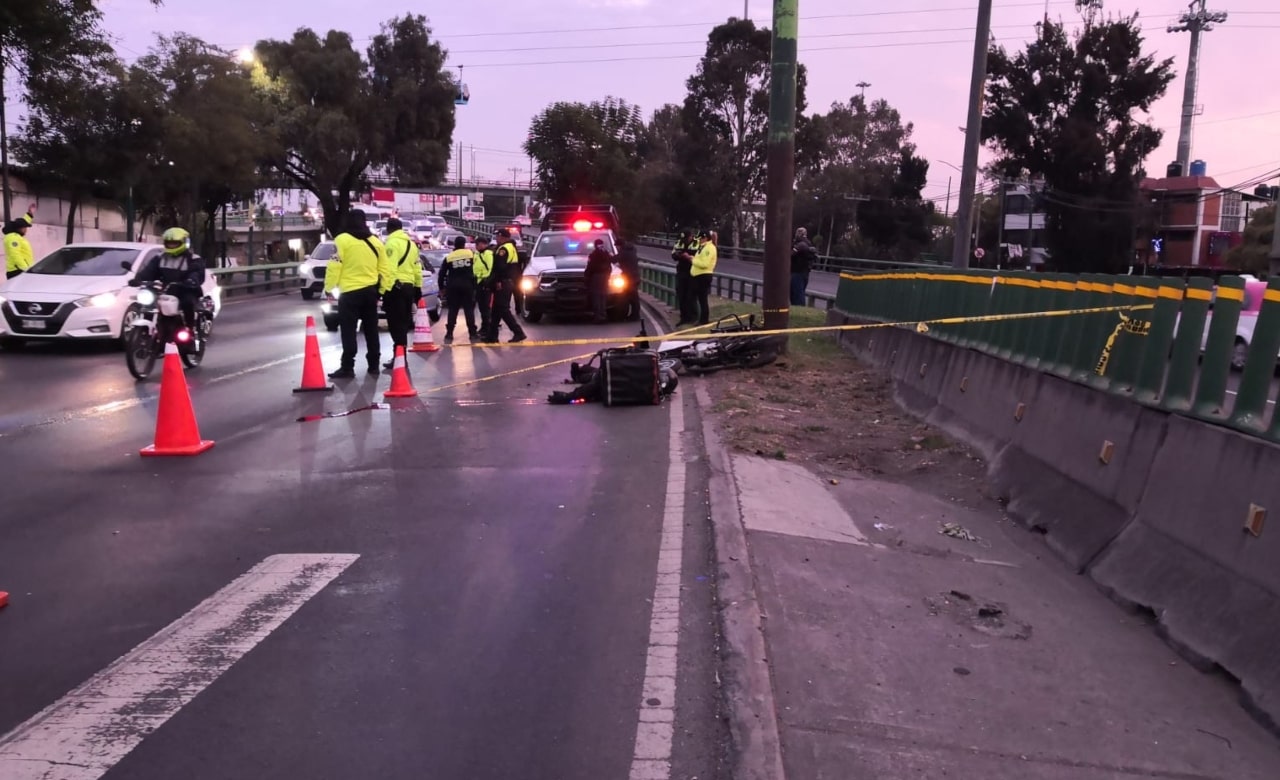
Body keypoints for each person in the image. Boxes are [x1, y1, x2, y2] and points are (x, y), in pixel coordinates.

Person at [324, 211, 391, 378]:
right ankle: (374, 365)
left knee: (349, 330)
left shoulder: (342, 240)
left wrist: (329, 287)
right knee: (371, 330)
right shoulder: (376, 242)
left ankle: (347, 366)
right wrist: (381, 291)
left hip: (349, 293)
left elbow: (335, 266)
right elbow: (385, 270)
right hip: (370, 293)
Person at [128, 227, 206, 331]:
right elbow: (149, 271)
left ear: (184, 243)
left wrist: (191, 280)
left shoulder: (193, 259)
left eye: (174, 243)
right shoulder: (159, 258)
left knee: (188, 302)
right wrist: (138, 279)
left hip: (185, 289)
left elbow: (197, 272)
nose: (171, 245)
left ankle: (190, 330)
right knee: (148, 304)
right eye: (169, 243)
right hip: (164, 290)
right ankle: (151, 330)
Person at [381, 217, 422, 370]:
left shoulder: (391, 243)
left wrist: (385, 290)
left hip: (395, 287)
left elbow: (390, 269)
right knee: (403, 323)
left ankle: (399, 357)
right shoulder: (411, 244)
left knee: (395, 323)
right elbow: (417, 267)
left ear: (388, 228)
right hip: (409, 287)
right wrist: (418, 287)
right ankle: (401, 355)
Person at [486, 228, 528, 343]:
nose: (496, 239)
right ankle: (492, 336)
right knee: (496, 310)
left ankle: (518, 332)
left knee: (503, 309)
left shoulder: (503, 249)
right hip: (509, 281)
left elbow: (500, 267)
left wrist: (498, 281)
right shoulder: (512, 247)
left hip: (503, 282)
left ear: (503, 237)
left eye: (498, 237)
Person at [439, 236, 479, 342]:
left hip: (453, 287)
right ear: (464, 244)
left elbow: (441, 274)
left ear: (454, 245)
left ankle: (449, 334)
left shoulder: (449, 257)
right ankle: (473, 334)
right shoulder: (471, 254)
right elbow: (477, 269)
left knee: (453, 310)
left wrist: (441, 288)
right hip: (468, 286)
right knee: (469, 310)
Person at [671, 228, 698, 326]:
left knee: (691, 296)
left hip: (692, 272)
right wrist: (681, 255)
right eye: (684, 239)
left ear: (691, 236)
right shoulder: (679, 242)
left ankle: (693, 317)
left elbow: (699, 255)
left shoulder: (696, 243)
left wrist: (689, 256)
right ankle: (684, 318)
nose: (686, 240)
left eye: (687, 238)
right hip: (681, 272)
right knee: (681, 295)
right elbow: (673, 255)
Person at [690, 230, 718, 325]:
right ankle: (700, 318)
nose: (699, 241)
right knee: (699, 298)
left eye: (700, 239)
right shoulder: (703, 247)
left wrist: (692, 260)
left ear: (705, 238)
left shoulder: (710, 248)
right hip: (698, 276)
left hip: (704, 276)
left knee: (703, 299)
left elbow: (705, 264)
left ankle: (704, 320)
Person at [4, 204, 37, 279]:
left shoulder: (16, 235)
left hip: (21, 270)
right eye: (24, 228)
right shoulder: (13, 238)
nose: (26, 230)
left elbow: (22, 222)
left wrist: (29, 213)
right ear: (19, 228)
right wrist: (26, 269)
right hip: (17, 271)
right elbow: (15, 255)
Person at [585, 238, 614, 323]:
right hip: (605, 276)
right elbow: (610, 266)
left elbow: (590, 267)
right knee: (603, 296)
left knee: (596, 296)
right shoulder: (606, 253)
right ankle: (603, 315)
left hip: (596, 277)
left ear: (595, 245)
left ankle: (598, 316)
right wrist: (608, 275)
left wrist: (586, 277)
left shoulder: (593, 254)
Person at [473, 235, 496, 340]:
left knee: (486, 308)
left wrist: (487, 282)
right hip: (478, 283)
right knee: (482, 308)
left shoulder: (488, 254)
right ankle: (484, 327)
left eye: (477, 244)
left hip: (485, 283)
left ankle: (487, 328)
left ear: (483, 244)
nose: (476, 246)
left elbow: (490, 268)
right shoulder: (478, 254)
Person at [790, 227, 817, 307]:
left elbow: (790, 255)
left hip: (797, 272)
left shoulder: (801, 245)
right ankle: (798, 309)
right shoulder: (808, 244)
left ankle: (799, 311)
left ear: (799, 234)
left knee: (797, 295)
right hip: (804, 272)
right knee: (798, 293)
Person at [617, 238, 641, 321]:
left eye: (617, 246)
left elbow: (615, 259)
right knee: (634, 297)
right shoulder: (632, 249)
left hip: (629, 278)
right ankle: (635, 314)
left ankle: (634, 316)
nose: (617, 248)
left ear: (619, 245)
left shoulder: (623, 252)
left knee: (630, 298)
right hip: (635, 276)